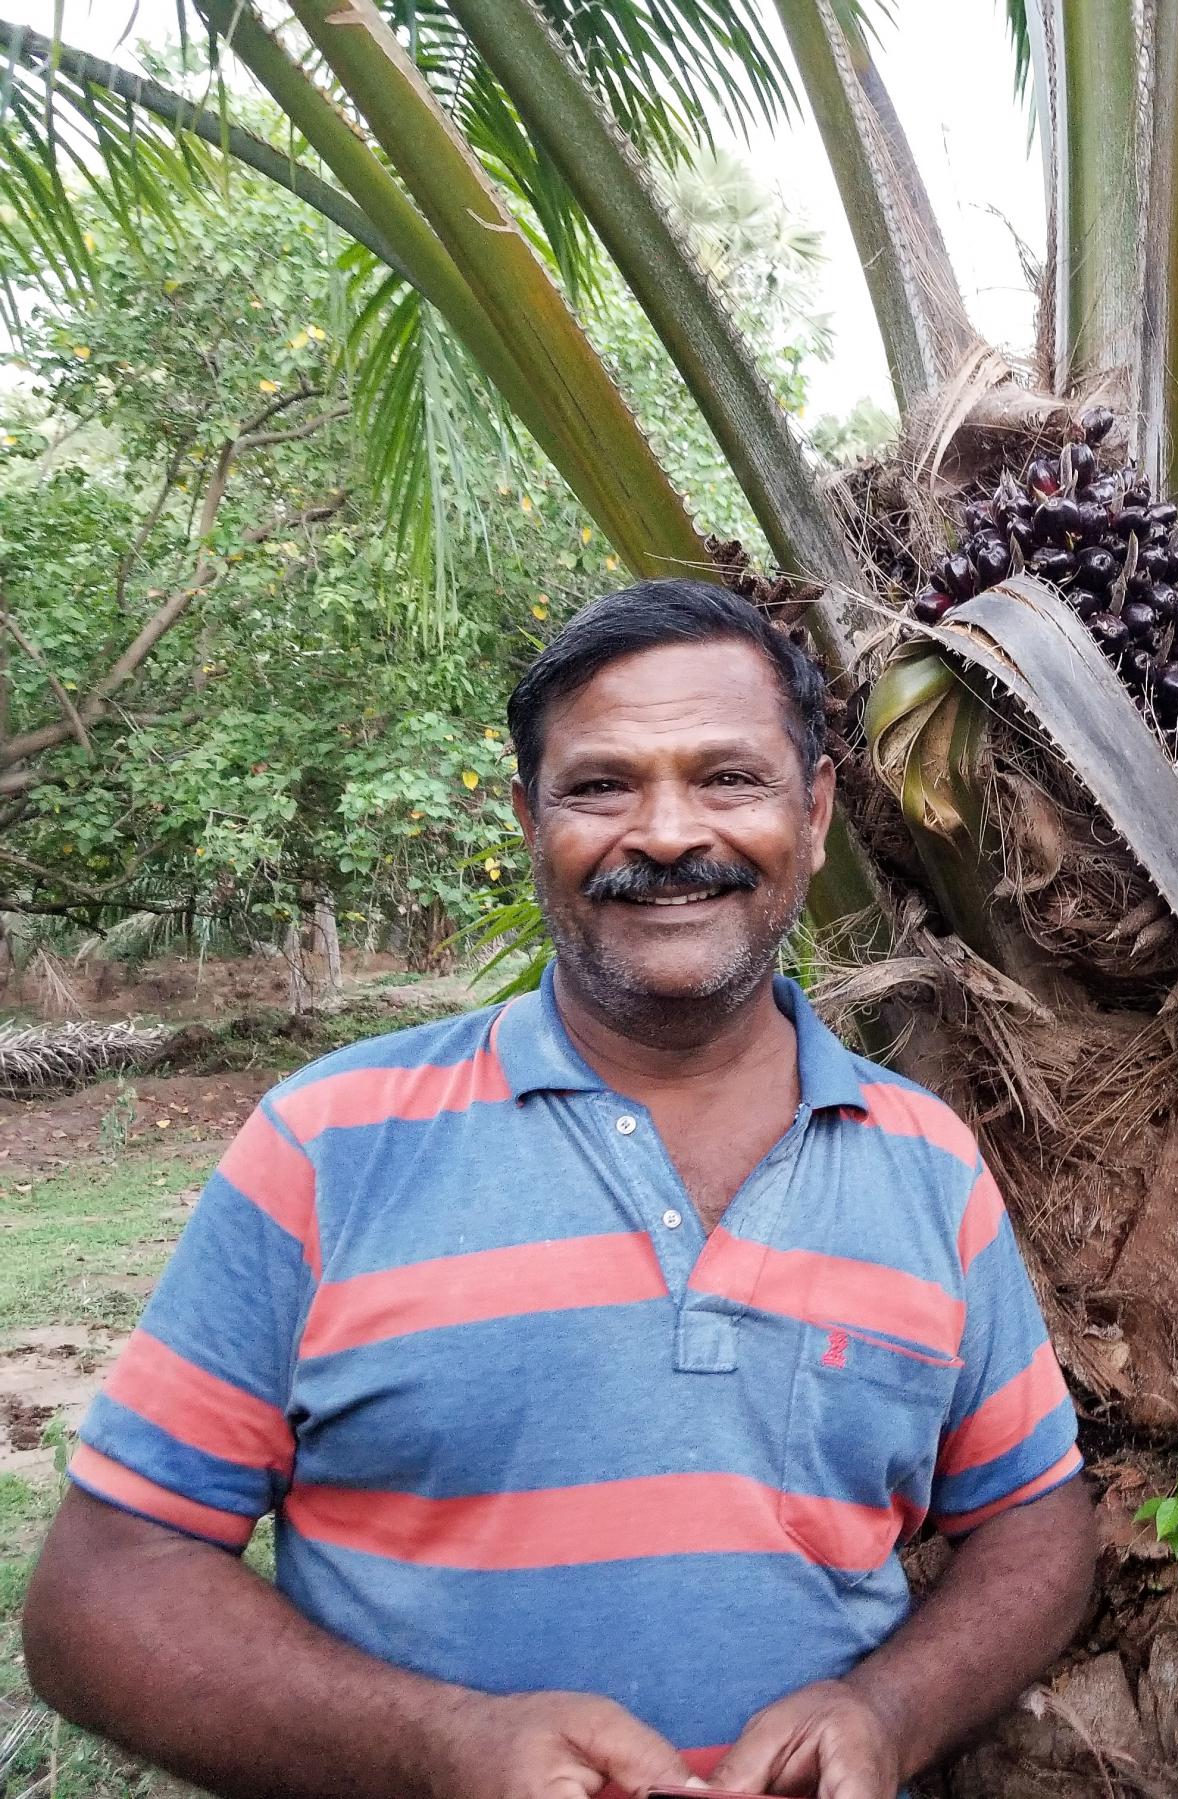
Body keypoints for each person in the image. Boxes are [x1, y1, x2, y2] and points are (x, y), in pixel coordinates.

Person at [22, 580, 1096, 1799]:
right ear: (531, 816)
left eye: (729, 777)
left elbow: (1035, 1523)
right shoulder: (330, 1143)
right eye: (602, 786)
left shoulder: (926, 1161)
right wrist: (438, 1748)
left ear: (815, 809)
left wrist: (886, 1712)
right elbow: (97, 1595)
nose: (668, 833)